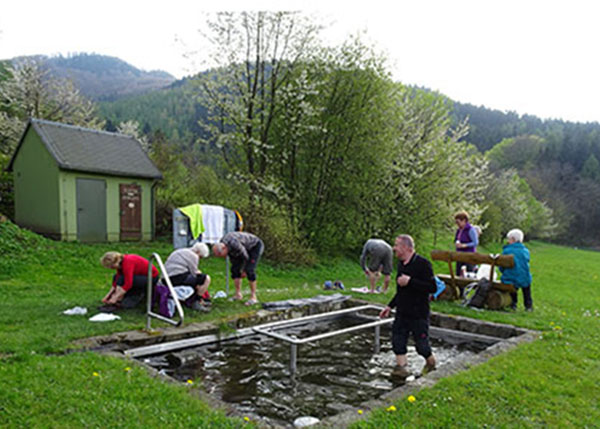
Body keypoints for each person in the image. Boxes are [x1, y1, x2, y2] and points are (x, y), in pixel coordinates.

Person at [379, 235, 437, 381]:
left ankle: (431, 364)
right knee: (398, 342)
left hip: (419, 313)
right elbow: (401, 291)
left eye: (396, 245)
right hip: (402, 312)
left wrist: (410, 281)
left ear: (406, 248)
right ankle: (401, 371)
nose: (394, 248)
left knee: (422, 347)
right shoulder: (400, 265)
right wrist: (389, 306)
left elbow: (432, 287)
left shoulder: (423, 264)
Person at [212, 231, 264, 306]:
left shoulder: (234, 244)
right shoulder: (224, 244)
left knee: (249, 270)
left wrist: (244, 270)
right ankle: (238, 294)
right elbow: (234, 259)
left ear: (224, 248)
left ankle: (253, 297)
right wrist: (237, 268)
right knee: (235, 270)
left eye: (220, 254)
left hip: (254, 246)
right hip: (241, 249)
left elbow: (245, 256)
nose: (221, 257)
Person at [163, 242, 212, 312]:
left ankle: (194, 300)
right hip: (176, 278)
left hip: (166, 278)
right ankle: (197, 301)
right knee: (206, 279)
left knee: (196, 280)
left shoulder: (181, 251)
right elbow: (194, 272)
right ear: (198, 252)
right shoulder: (194, 256)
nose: (200, 259)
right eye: (201, 257)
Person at [499, 229, 533, 311]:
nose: (508, 241)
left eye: (509, 239)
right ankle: (528, 305)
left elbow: (502, 266)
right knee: (526, 285)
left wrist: (503, 272)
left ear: (513, 239)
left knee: (511, 281)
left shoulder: (507, 251)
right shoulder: (526, 251)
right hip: (524, 277)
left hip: (511, 278)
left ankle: (513, 303)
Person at [454, 211, 479, 276]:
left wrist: (465, 245)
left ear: (464, 220)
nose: (457, 224)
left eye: (458, 222)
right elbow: (456, 239)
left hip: (469, 255)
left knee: (469, 274)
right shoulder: (459, 230)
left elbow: (475, 242)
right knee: (458, 274)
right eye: (456, 222)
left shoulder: (471, 229)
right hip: (459, 255)